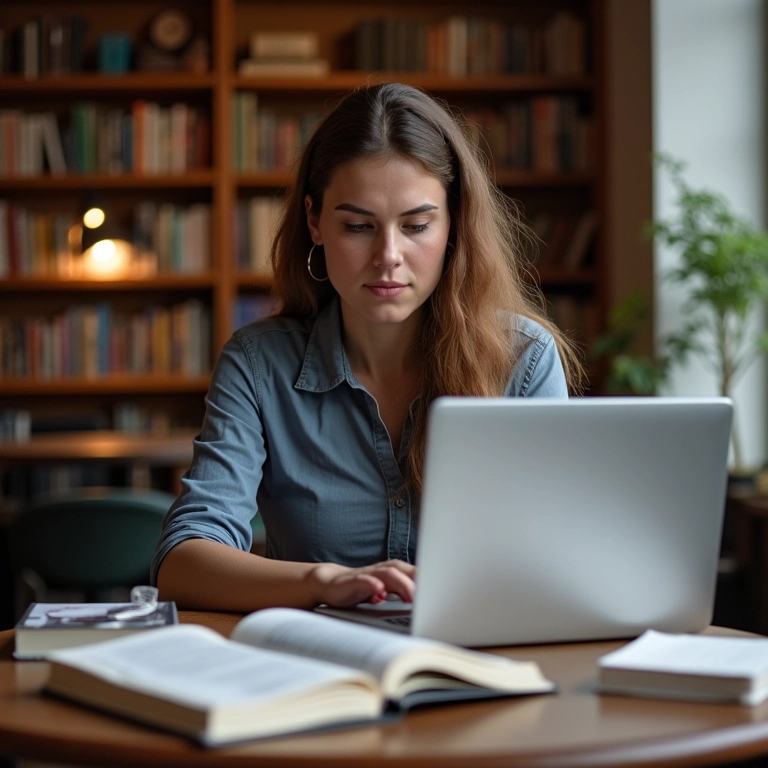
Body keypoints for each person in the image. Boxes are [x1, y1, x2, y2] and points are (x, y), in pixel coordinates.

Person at [152, 82, 584, 612]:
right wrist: (323, 582)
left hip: (483, 661)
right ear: (314, 221)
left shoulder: (525, 358)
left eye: (417, 226)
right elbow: (184, 559)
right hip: (320, 667)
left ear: (454, 226)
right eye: (358, 226)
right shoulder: (258, 364)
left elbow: (557, 555)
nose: (388, 256)